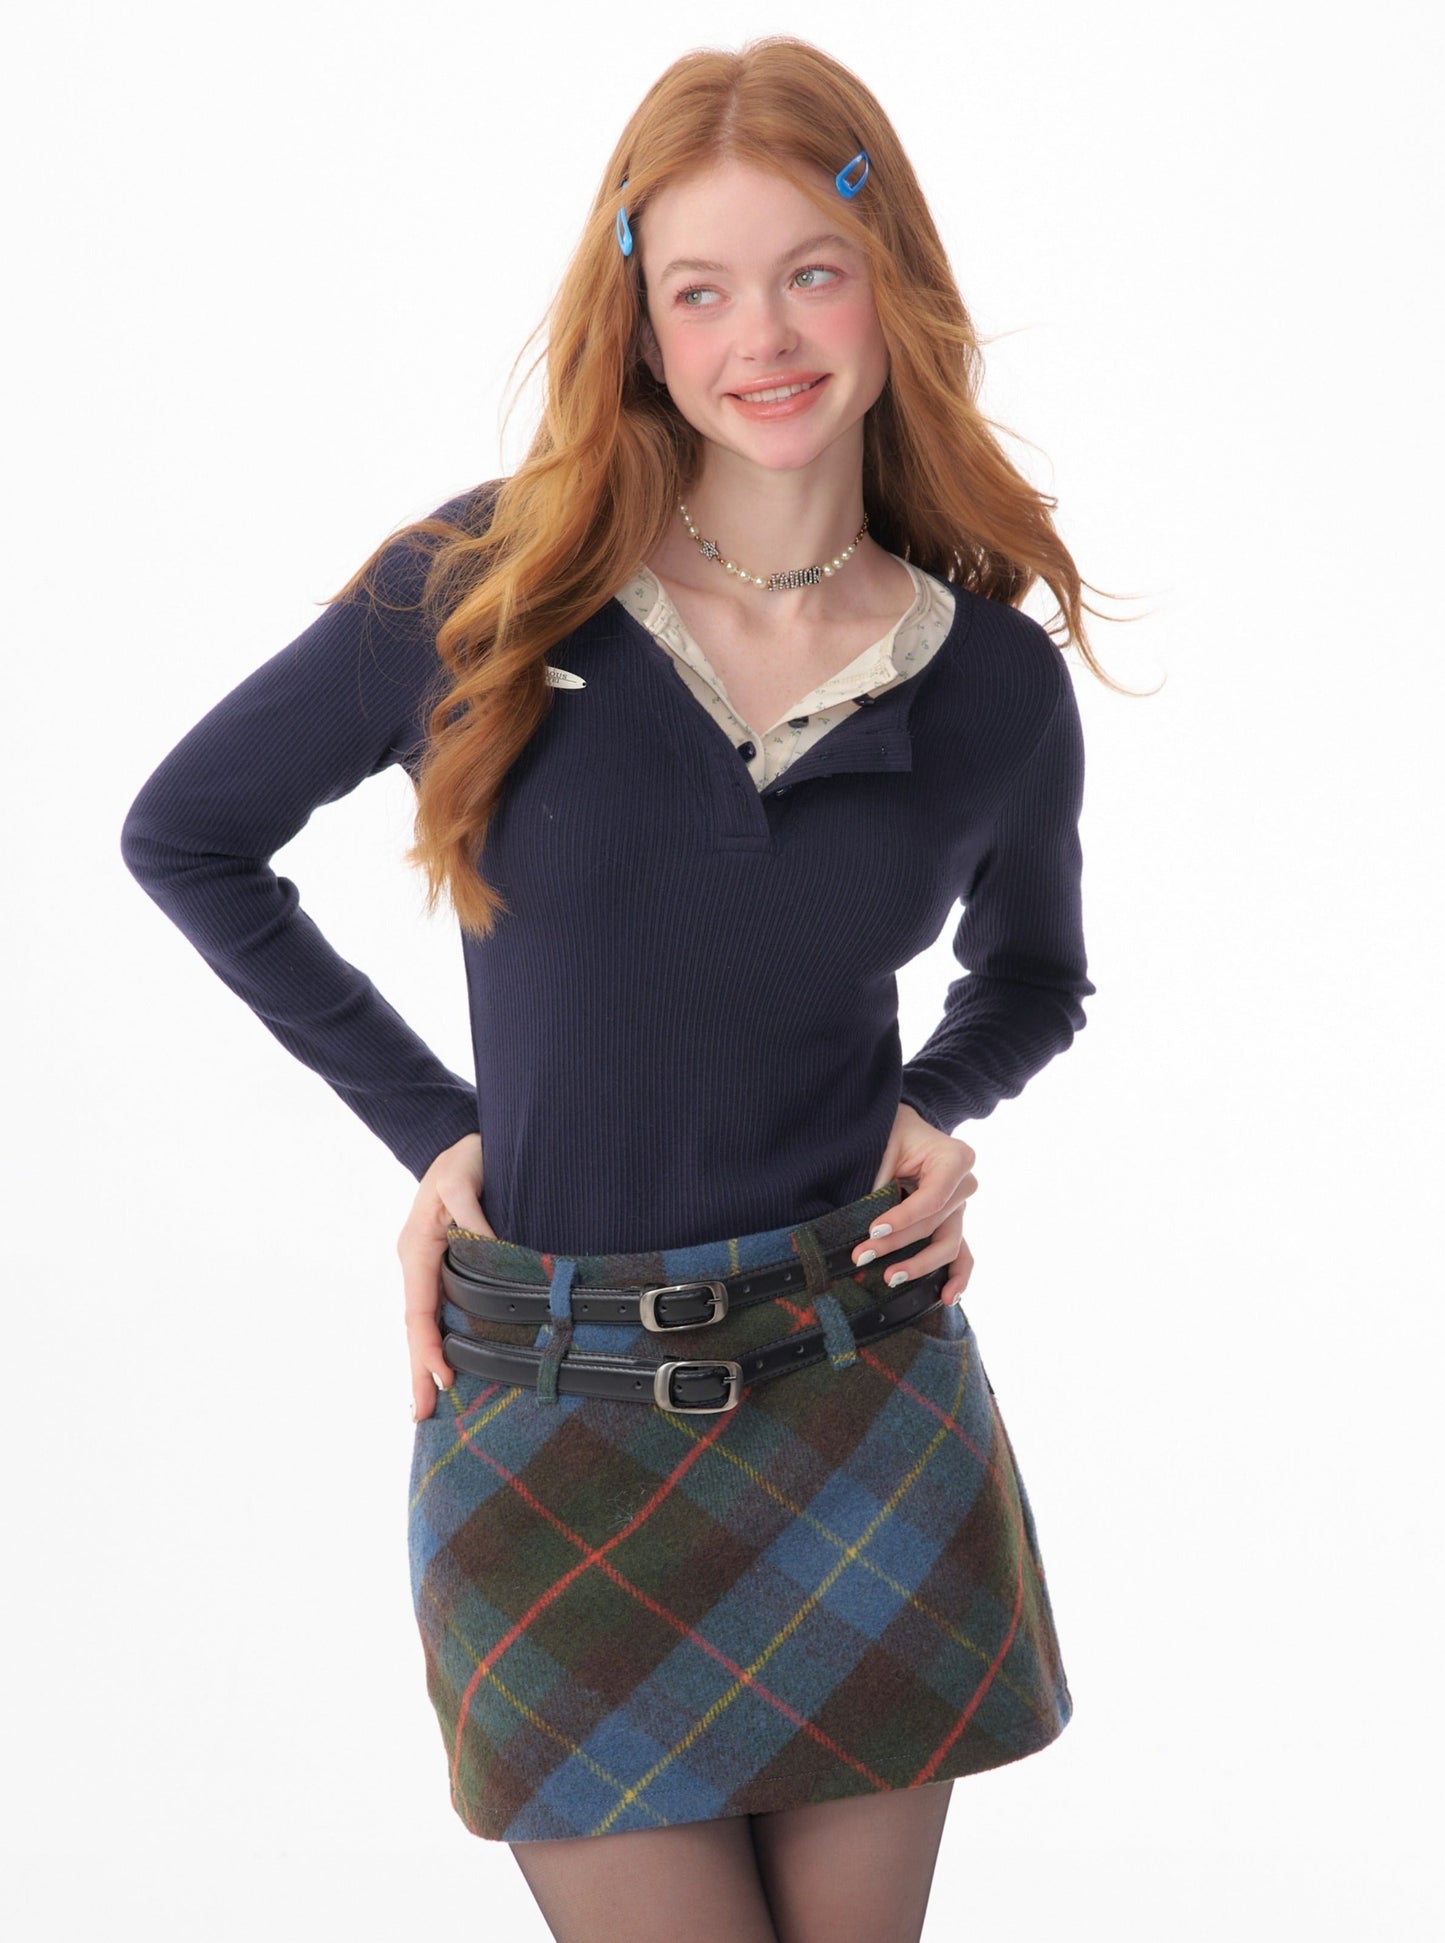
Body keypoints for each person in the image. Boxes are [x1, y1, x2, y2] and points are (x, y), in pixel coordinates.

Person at [120, 34, 1119, 1943]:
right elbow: (189, 838)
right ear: (639, 323)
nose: (764, 337)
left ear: (891, 284)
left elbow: (1036, 977)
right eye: (701, 290)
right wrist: (439, 1131)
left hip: (859, 1399)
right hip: (547, 1417)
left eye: (810, 273)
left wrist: (934, 1104)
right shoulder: (479, 587)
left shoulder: (988, 679)